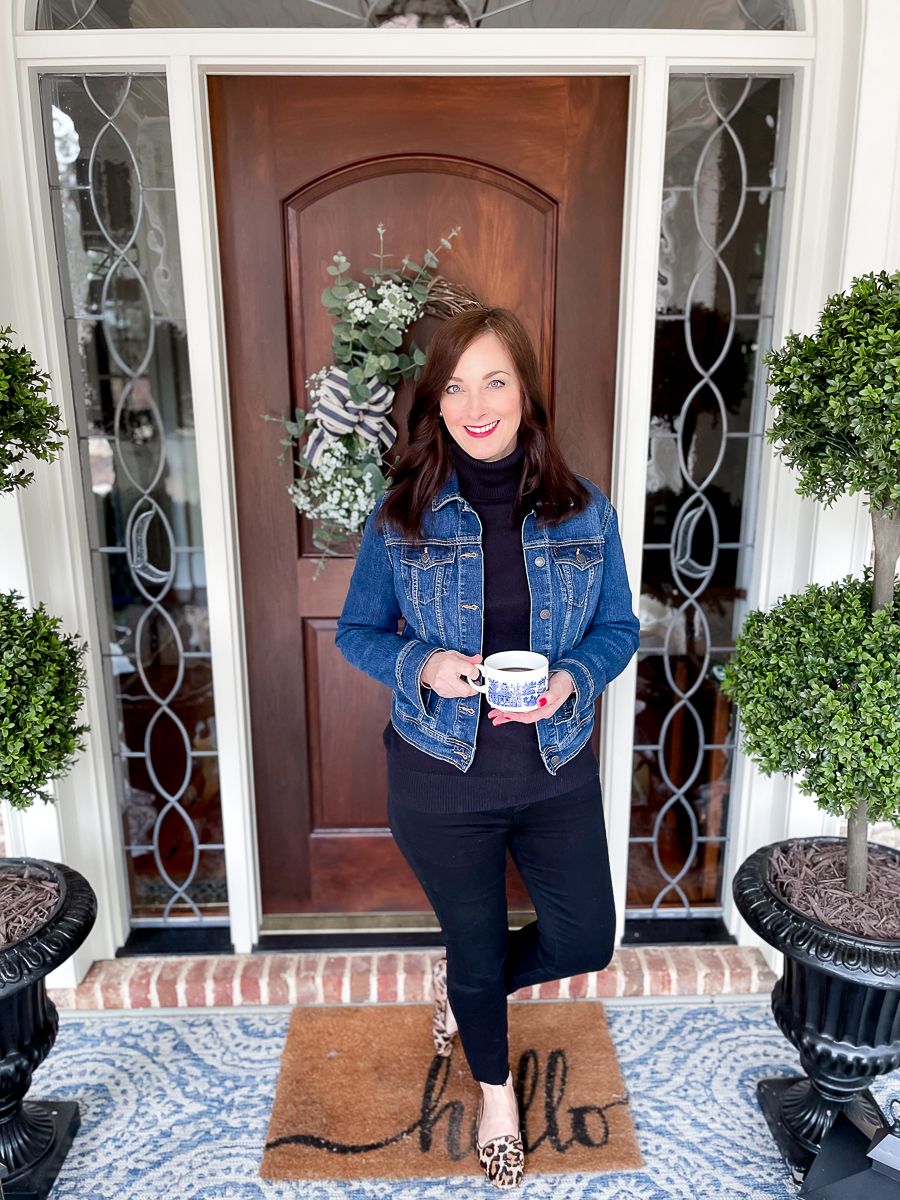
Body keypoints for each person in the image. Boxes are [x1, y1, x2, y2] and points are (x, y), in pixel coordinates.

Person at [335, 307, 640, 1189]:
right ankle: (497, 1096)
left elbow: (618, 628)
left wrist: (572, 679)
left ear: (525, 394)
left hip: (554, 767)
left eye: (494, 381)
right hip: (439, 776)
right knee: (473, 944)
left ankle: (470, 993)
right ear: (435, 405)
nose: (477, 403)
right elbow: (356, 632)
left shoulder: (586, 514)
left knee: (587, 937)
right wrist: (420, 663)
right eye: (456, 386)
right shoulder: (403, 515)